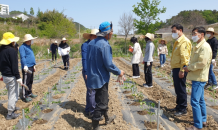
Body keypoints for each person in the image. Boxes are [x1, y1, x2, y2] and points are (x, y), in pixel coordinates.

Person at [86, 21, 125, 130]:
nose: (112, 33)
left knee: (103, 99)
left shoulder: (91, 43)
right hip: (100, 78)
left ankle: (107, 118)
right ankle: (95, 126)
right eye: (112, 31)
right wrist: (119, 72)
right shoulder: (104, 45)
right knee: (102, 103)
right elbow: (108, 65)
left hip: (92, 77)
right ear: (107, 33)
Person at [184, 27, 212, 130]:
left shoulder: (204, 47)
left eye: (195, 34)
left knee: (194, 101)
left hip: (199, 77)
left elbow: (202, 63)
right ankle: (203, 120)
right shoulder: (199, 46)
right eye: (193, 33)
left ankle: (197, 125)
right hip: (198, 76)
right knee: (200, 100)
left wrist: (189, 68)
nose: (193, 36)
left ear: (202, 35)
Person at [170, 24, 192, 116]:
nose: (173, 33)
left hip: (180, 69)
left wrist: (182, 70)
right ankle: (179, 105)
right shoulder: (178, 41)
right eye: (172, 32)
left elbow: (185, 57)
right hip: (176, 68)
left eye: (174, 31)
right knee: (177, 88)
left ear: (180, 30)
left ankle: (183, 108)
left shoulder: (184, 41)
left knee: (181, 88)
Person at [0, 32, 22, 119]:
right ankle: (10, 113)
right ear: (11, 42)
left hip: (5, 75)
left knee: (10, 92)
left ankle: (12, 107)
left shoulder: (1, 50)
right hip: (11, 76)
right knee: (13, 94)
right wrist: (18, 77)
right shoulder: (11, 51)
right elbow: (14, 66)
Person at [81, 29, 99, 118]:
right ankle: (92, 111)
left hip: (95, 71)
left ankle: (88, 109)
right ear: (90, 36)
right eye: (94, 36)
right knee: (92, 91)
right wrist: (86, 72)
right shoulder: (85, 45)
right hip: (89, 72)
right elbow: (84, 59)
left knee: (90, 91)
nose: (96, 37)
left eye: (97, 36)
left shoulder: (96, 45)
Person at [19, 34, 38, 102]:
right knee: (26, 81)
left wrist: (34, 65)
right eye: (31, 40)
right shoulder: (22, 47)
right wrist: (25, 65)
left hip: (31, 66)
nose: (32, 41)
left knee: (30, 81)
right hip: (27, 67)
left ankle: (29, 93)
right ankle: (24, 96)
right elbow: (23, 57)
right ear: (27, 40)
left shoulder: (29, 46)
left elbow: (31, 56)